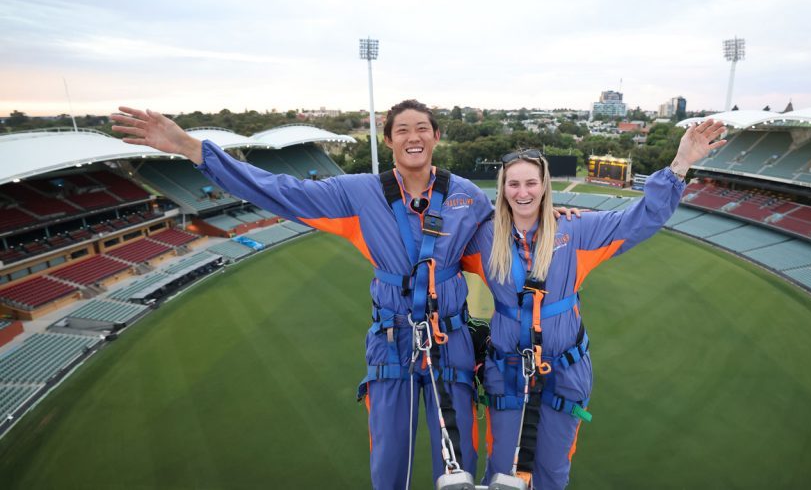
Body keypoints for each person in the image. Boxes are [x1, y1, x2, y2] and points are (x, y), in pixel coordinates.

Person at [111, 100, 493, 489]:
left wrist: (557, 222)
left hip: (451, 339)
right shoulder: (360, 192)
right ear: (389, 140)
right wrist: (194, 149)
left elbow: (509, 237)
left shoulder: (467, 196)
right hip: (392, 341)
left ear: (436, 136)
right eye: (403, 130)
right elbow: (281, 190)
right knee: (390, 463)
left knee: (459, 461)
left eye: (422, 128)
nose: (413, 137)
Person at [461, 119, 726, 489]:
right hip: (507, 373)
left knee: (552, 473)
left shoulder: (575, 230)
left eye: (531, 183)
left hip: (564, 372)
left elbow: (640, 220)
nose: (523, 192)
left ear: (544, 187)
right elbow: (437, 257)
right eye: (514, 183)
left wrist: (680, 163)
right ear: (503, 188)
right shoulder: (485, 239)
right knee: (502, 470)